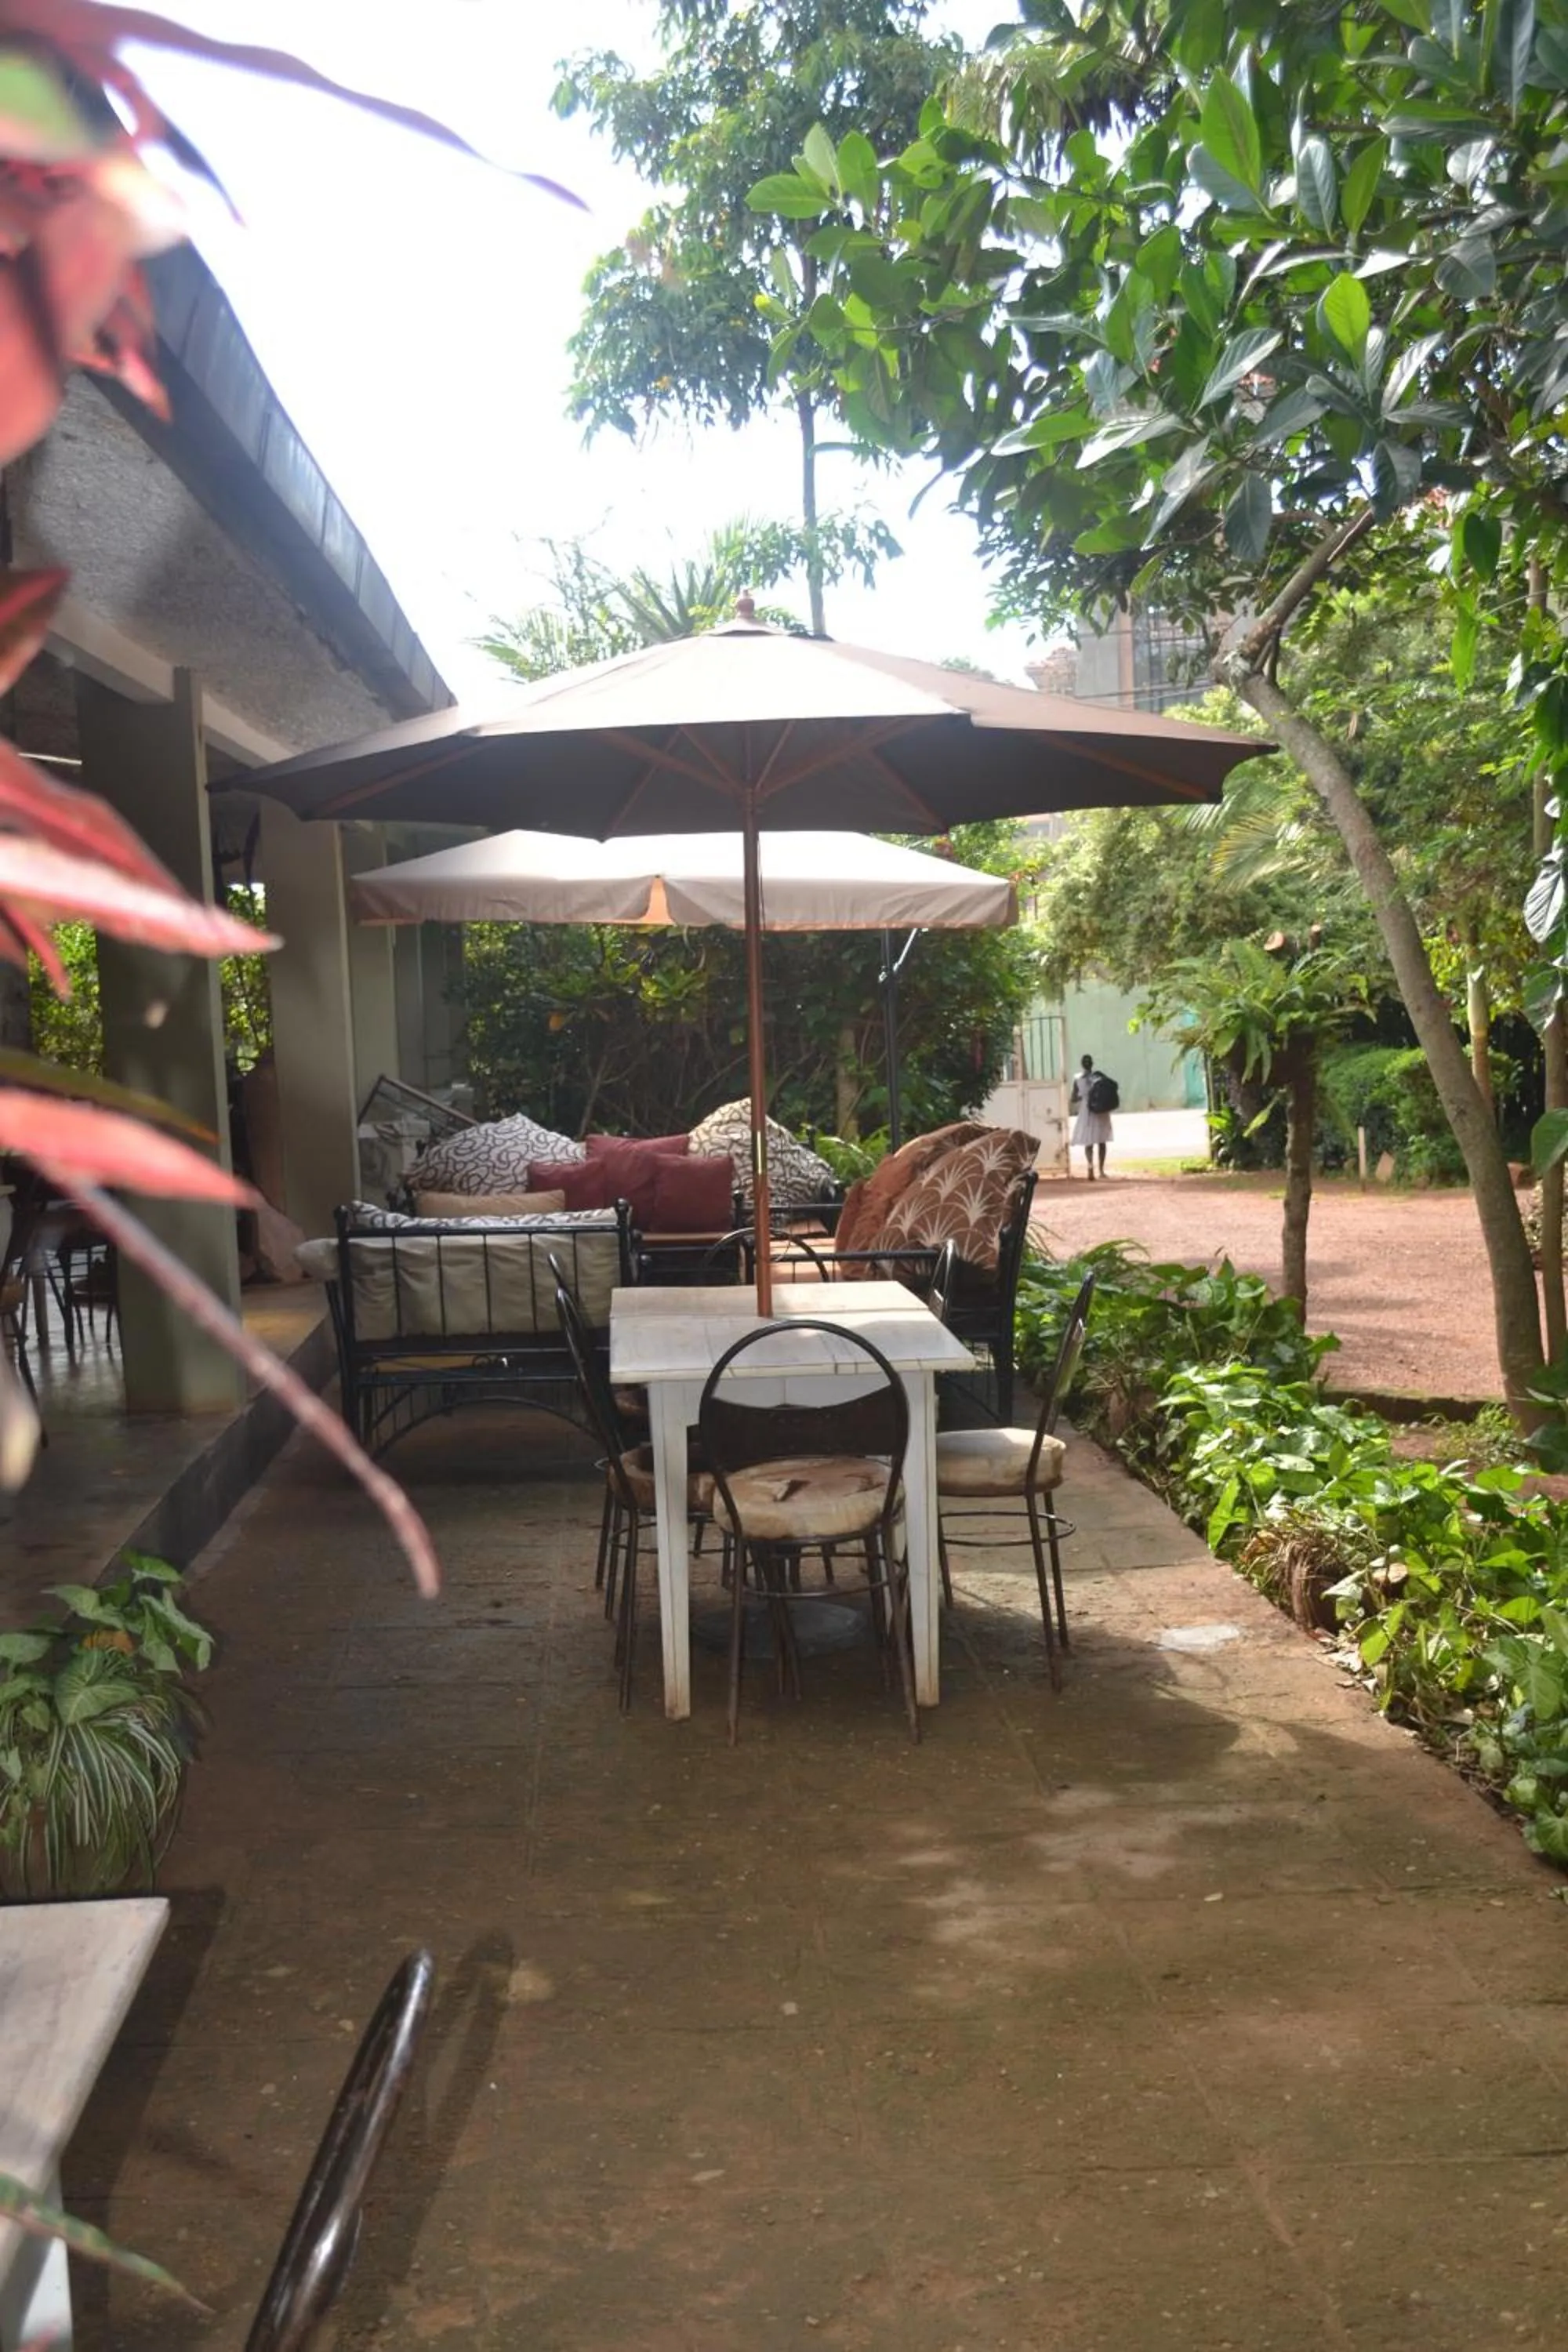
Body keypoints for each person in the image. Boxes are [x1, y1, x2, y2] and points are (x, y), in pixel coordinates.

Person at [1069, 1052, 1116, 1180]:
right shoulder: (1098, 1076)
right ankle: (1101, 1170)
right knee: (1102, 1140)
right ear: (1092, 1064)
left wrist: (1083, 1095)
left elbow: (1073, 1098)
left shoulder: (1078, 1078)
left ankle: (1090, 1166)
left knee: (1088, 1141)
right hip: (1100, 1110)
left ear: (1082, 1065)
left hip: (1086, 1110)